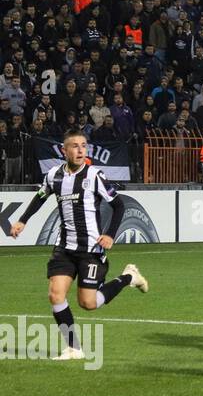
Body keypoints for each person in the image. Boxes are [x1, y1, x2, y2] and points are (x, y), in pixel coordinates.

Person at [7, 129, 149, 360]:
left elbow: (119, 205)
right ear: (64, 151)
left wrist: (110, 235)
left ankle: (129, 278)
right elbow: (41, 197)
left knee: (88, 303)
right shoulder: (54, 175)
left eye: (83, 145)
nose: (80, 149)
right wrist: (23, 220)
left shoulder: (94, 175)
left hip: (91, 250)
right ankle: (74, 348)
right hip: (64, 248)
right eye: (75, 146)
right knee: (55, 295)